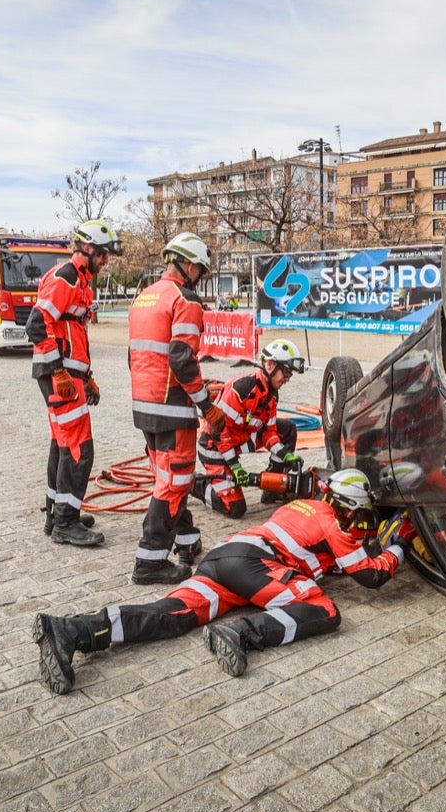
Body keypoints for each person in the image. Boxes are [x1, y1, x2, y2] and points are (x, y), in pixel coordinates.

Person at [33, 468, 414, 693]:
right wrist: (399, 546)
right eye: (359, 514)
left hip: (223, 560)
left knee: (170, 614)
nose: (360, 523)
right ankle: (242, 634)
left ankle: (73, 630)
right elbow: (370, 575)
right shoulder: (334, 522)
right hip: (253, 565)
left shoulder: (309, 508)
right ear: (348, 507)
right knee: (322, 608)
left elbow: (327, 555)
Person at [127, 232, 223, 584]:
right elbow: (182, 360)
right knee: (175, 482)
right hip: (173, 406)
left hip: (144, 404)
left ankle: (187, 540)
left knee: (168, 478)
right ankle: (149, 560)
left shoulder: (144, 297)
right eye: (201, 270)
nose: (200, 277)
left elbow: (135, 355)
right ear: (191, 265)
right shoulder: (186, 299)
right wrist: (206, 404)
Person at [27, 219, 122, 547]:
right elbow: (37, 325)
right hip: (59, 375)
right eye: (104, 254)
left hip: (68, 374)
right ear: (89, 248)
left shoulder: (79, 281)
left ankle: (58, 514)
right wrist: (59, 372)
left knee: (63, 444)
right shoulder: (67, 277)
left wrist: (86, 376)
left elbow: (72, 334)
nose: (106, 260)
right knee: (79, 447)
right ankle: (66, 523)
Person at [196, 338, 306, 518]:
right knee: (235, 509)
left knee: (286, 429)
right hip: (214, 447)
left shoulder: (271, 395)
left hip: (240, 438)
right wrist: (235, 466)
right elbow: (219, 434)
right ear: (270, 365)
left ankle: (273, 490)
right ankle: (197, 485)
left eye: (289, 375)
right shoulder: (241, 389)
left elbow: (270, 432)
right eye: (286, 372)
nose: (287, 379)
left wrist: (285, 454)